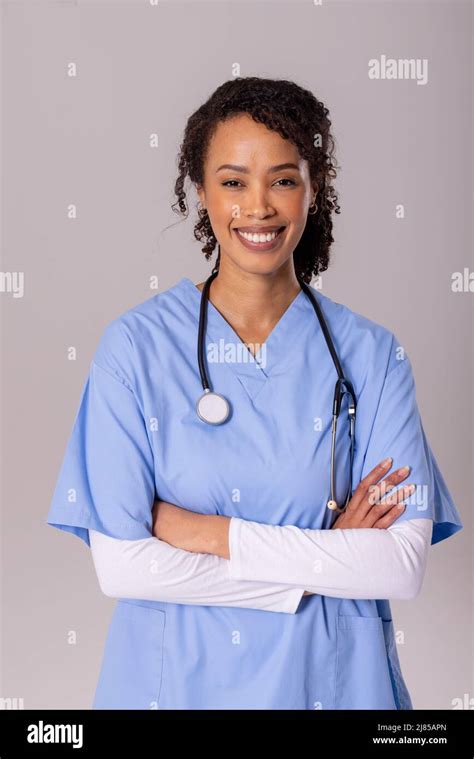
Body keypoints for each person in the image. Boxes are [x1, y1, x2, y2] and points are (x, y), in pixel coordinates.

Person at [46, 76, 463, 710]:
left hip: (333, 683)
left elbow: (397, 567)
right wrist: (324, 563)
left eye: (284, 179)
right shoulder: (133, 349)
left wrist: (211, 534)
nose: (259, 206)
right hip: (177, 688)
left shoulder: (373, 356)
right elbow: (124, 567)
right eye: (233, 181)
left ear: (313, 190)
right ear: (202, 193)